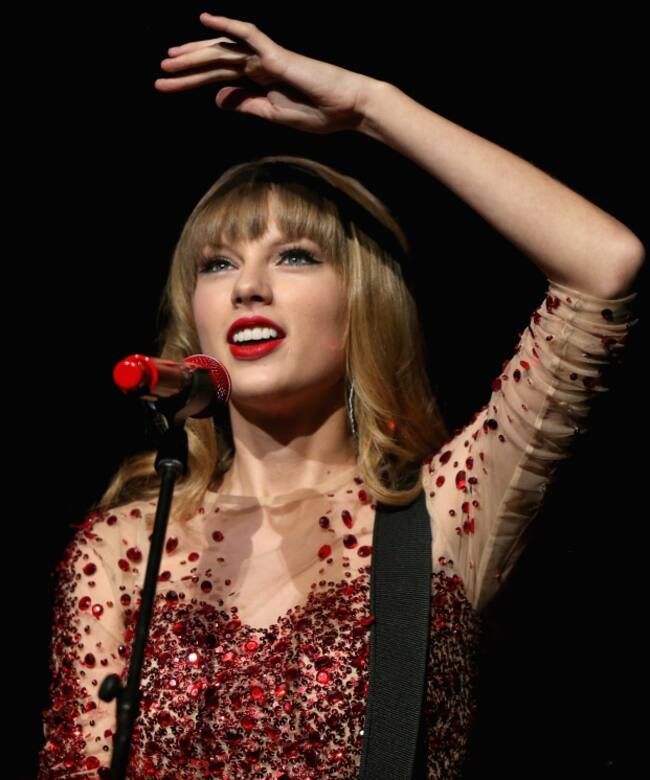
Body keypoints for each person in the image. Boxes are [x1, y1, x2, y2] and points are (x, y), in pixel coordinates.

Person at [37, 12, 644, 780]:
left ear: (361, 306)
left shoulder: (446, 514)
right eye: (217, 265)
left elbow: (603, 266)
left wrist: (369, 106)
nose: (249, 287)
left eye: (293, 256)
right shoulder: (122, 548)